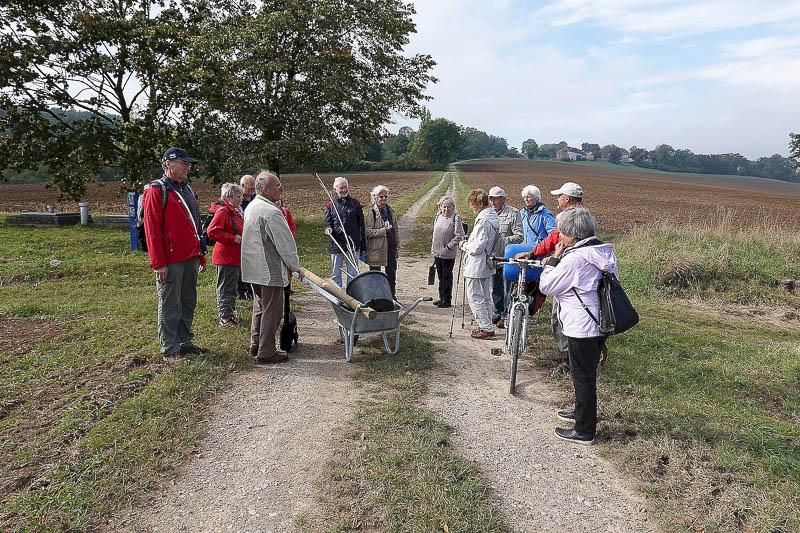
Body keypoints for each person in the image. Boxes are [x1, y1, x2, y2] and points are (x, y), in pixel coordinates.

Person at [538, 208, 617, 445]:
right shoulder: (602, 253)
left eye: (562, 233)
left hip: (581, 326)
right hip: (599, 321)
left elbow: (547, 286)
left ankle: (584, 431)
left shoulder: (575, 259)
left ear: (573, 236)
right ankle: (580, 413)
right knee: (584, 373)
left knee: (583, 376)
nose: (559, 238)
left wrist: (552, 261)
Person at [142, 147, 208, 363]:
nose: (188, 167)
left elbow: (196, 223)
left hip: (190, 255)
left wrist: (201, 253)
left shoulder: (187, 188)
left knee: (188, 300)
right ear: (169, 163)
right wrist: (158, 263)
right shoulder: (156, 190)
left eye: (188, 163)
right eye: (183, 162)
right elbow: (152, 230)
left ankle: (184, 342)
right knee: (170, 304)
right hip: (170, 260)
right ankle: (170, 349)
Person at [515, 181, 587, 371]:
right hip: (582, 270)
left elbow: (553, 239)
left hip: (567, 268)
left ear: (567, 198)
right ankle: (576, 356)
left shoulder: (567, 217)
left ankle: (570, 360)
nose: (556, 199)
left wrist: (535, 254)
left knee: (561, 314)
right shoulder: (585, 215)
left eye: (559, 196)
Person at [241, 171, 303, 364]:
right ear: (266, 190)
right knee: (273, 311)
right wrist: (294, 266)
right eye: (278, 186)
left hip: (253, 268)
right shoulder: (272, 212)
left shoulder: (252, 206)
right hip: (269, 269)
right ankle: (266, 352)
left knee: (260, 306)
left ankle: (256, 344)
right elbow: (285, 244)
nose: (281, 189)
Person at [459, 189, 500, 340]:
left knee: (475, 297)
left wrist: (464, 245)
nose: (472, 208)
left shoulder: (483, 221)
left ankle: (487, 328)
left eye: (472, 205)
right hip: (485, 263)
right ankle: (486, 324)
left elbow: (477, 247)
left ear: (479, 204)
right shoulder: (492, 217)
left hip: (477, 264)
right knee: (485, 297)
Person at [207, 183, 245, 328]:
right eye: (238, 196)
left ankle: (229, 310)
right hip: (226, 256)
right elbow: (212, 231)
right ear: (228, 197)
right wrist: (232, 238)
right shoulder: (223, 211)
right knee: (226, 288)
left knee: (231, 286)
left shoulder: (233, 211)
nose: (241, 199)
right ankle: (225, 318)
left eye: (241, 196)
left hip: (233, 256)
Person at [488, 186, 523, 329]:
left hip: (507, 258)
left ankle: (505, 315)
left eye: (496, 199)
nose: (493, 202)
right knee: (495, 287)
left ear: (503, 199)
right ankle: (497, 311)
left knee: (506, 287)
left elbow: (520, 236)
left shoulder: (513, 213)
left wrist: (503, 240)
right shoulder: (488, 213)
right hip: (493, 258)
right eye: (491, 199)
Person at [324, 176, 366, 288]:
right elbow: (327, 223)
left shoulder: (355, 203)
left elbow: (362, 226)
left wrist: (363, 246)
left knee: (353, 273)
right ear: (335, 190)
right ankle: (338, 296)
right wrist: (328, 229)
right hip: (336, 244)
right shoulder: (330, 205)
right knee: (336, 272)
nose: (344, 190)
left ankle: (351, 295)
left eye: (345, 187)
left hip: (353, 244)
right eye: (341, 188)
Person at [364, 185, 399, 297]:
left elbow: (396, 229)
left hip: (391, 248)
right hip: (377, 250)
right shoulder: (372, 213)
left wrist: (398, 243)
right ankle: (376, 298)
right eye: (381, 197)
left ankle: (391, 297)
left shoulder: (390, 211)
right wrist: (383, 230)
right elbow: (368, 232)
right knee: (376, 276)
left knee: (391, 275)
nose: (383, 199)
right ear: (375, 198)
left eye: (385, 196)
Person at [430, 196, 465, 308]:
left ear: (453, 207)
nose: (446, 209)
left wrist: (449, 247)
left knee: (447, 277)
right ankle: (441, 298)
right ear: (440, 207)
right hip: (437, 252)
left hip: (448, 254)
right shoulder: (438, 216)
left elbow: (459, 235)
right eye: (444, 207)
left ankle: (447, 300)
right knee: (440, 276)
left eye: (448, 207)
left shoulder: (456, 217)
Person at [237, 174, 257, 300]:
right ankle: (241, 292)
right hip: (241, 237)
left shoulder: (256, 198)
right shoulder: (237, 199)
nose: (254, 188)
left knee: (252, 265)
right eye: (251, 185)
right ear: (243, 185)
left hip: (253, 236)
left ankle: (251, 290)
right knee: (240, 267)